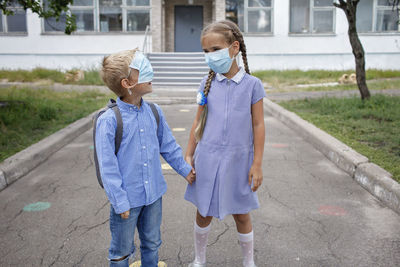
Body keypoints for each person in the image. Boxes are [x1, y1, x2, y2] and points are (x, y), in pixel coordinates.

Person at [96, 49, 196, 267]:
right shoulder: (109, 120)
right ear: (127, 83)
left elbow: (168, 147)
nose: (151, 72)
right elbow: (107, 167)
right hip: (126, 201)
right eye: (142, 69)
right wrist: (119, 201)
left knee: (152, 243)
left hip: (153, 196)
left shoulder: (154, 111)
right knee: (121, 251)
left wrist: (186, 170)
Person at [184, 20, 266, 267]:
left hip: (239, 161)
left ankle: (248, 262)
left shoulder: (253, 85)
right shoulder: (206, 85)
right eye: (206, 52)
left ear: (234, 48)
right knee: (203, 211)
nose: (210, 56)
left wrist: (257, 164)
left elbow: (258, 125)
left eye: (215, 50)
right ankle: (199, 259)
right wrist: (188, 155)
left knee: (242, 214)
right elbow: (198, 122)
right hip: (207, 159)